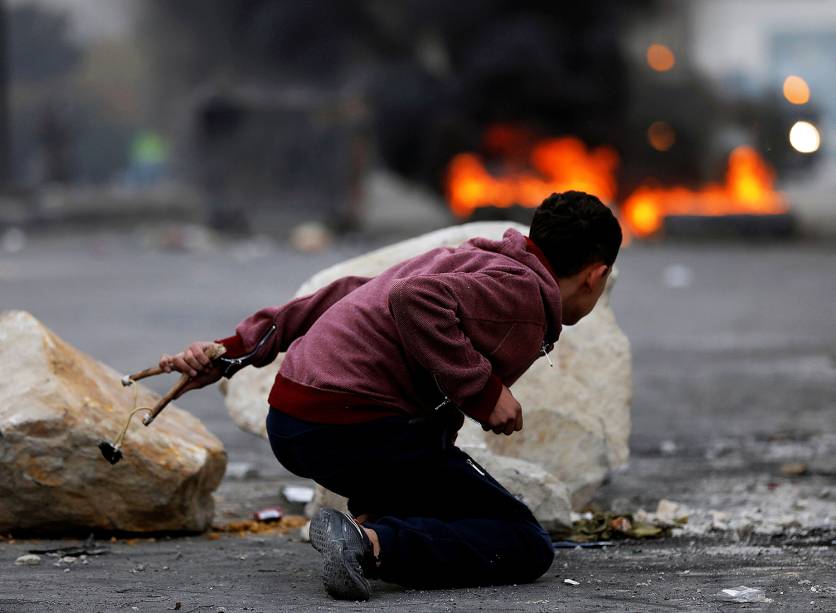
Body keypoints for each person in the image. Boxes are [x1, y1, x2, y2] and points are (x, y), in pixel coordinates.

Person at [160, 190, 622, 600]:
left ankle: (368, 525)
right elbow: (412, 298)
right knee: (524, 541)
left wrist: (234, 351)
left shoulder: (474, 257)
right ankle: (371, 545)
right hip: (354, 426)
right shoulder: (521, 294)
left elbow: (348, 293)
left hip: (295, 417)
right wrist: (484, 392)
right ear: (594, 276)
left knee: (436, 475)